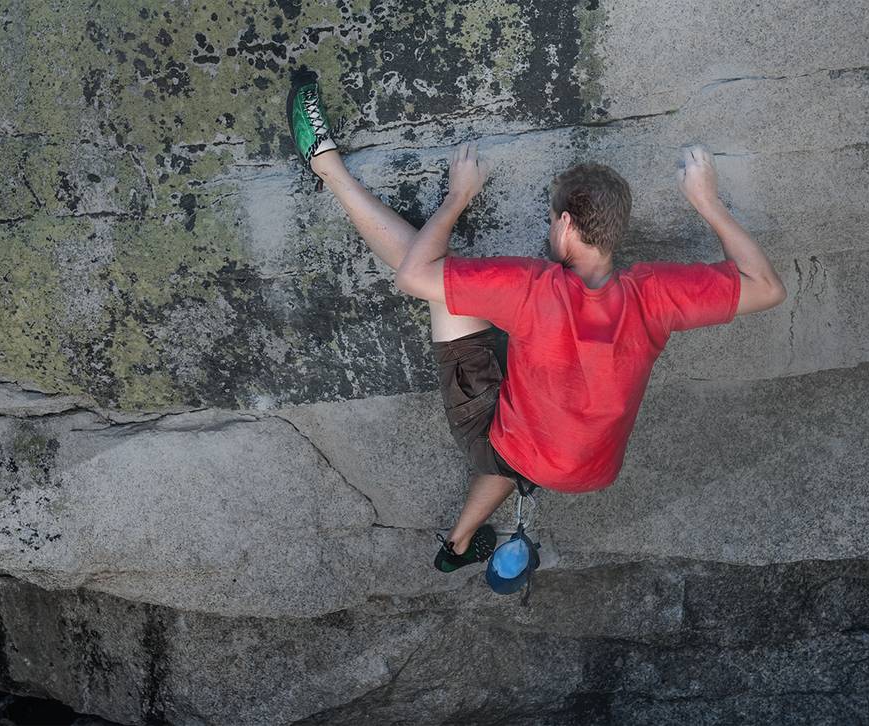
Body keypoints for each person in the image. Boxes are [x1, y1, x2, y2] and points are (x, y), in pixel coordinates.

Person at [286, 70, 787, 572]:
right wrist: (707, 201)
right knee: (531, 437)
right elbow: (767, 288)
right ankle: (457, 546)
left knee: (447, 287)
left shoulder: (532, 288)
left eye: (552, 219)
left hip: (511, 439)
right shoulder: (656, 296)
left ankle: (328, 167)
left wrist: (457, 197)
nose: (550, 227)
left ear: (566, 225)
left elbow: (415, 276)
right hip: (586, 467)